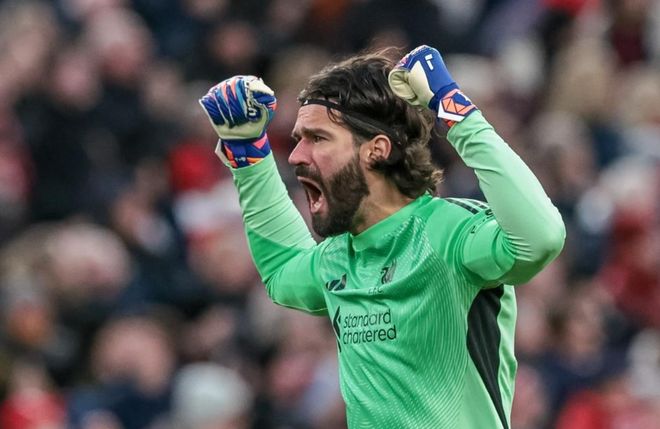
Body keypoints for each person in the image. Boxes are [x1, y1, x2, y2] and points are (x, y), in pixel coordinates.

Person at [198, 45, 565, 429]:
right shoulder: (337, 257)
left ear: (376, 150)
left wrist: (453, 108)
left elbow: (540, 237)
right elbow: (283, 271)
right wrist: (249, 157)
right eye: (298, 139)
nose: (295, 156)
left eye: (318, 138)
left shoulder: (450, 232)